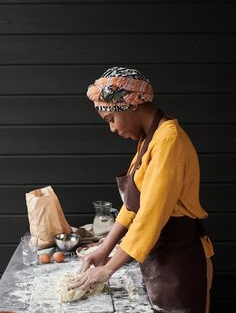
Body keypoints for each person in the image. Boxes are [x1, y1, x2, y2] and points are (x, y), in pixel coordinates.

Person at [69, 67, 214, 313]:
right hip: (161, 258)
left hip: (180, 263)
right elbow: (132, 205)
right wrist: (104, 250)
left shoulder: (169, 141)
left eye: (111, 119)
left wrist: (108, 269)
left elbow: (150, 216)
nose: (112, 129)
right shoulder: (149, 140)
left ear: (131, 104)